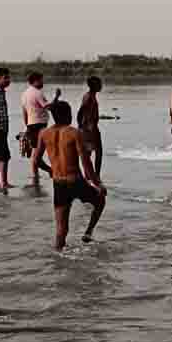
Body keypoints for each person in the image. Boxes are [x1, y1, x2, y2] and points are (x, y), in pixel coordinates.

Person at [32, 100, 106, 251]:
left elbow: (36, 161)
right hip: (76, 181)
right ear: (66, 115)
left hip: (59, 183)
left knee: (61, 230)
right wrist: (98, 184)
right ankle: (88, 232)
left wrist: (50, 170)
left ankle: (58, 257)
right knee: (100, 200)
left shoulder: (44, 133)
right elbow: (86, 163)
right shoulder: (74, 133)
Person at [21, 72, 60, 185]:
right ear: (35, 81)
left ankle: (35, 177)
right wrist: (56, 97)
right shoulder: (38, 93)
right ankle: (50, 170)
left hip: (31, 124)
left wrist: (27, 126)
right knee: (37, 155)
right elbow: (49, 107)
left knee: (35, 153)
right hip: (39, 126)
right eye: (41, 80)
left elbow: (24, 112)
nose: (43, 82)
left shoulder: (25, 94)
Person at [77, 76, 104, 178]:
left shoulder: (90, 95)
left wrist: (81, 126)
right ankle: (95, 176)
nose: (101, 86)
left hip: (89, 128)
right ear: (94, 85)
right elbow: (81, 111)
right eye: (99, 84)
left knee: (89, 153)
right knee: (97, 152)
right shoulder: (89, 97)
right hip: (90, 128)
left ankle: (89, 176)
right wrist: (81, 126)